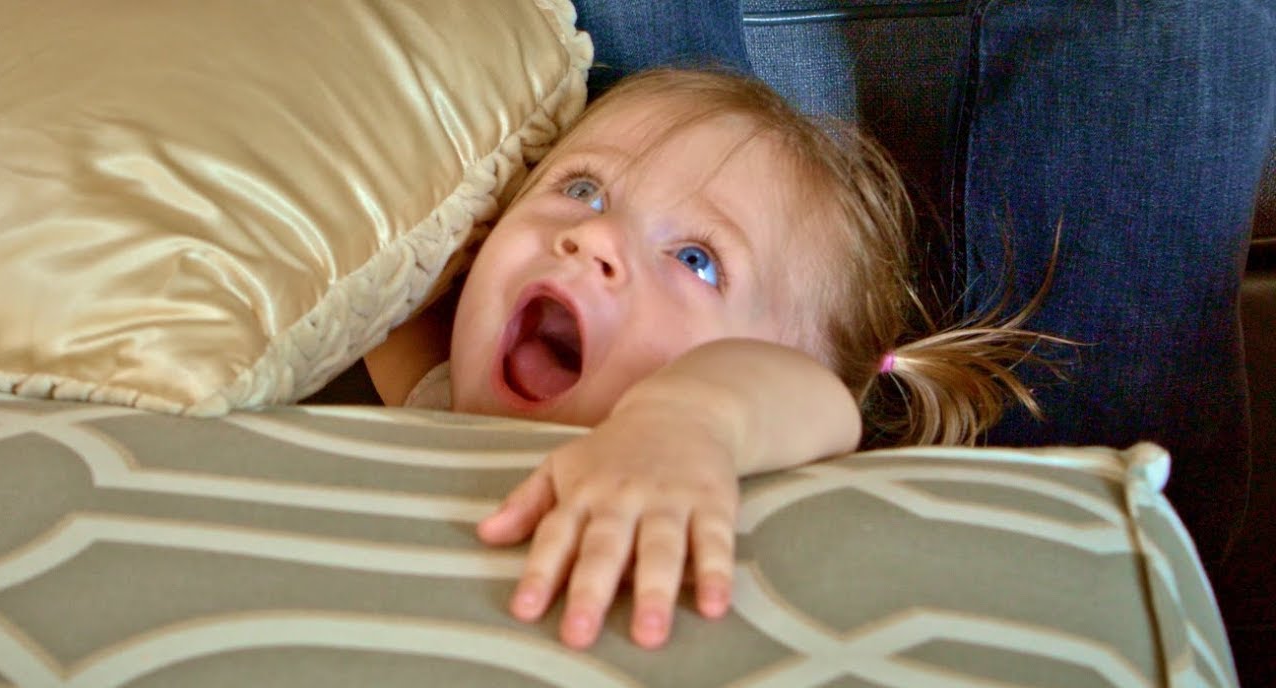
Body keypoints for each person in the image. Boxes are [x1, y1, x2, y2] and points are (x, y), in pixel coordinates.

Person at [347, 68, 1065, 650]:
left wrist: (682, 424)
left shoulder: (743, 434)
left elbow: (810, 396)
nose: (595, 236)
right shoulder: (440, 397)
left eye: (697, 260)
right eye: (582, 189)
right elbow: (370, 283)